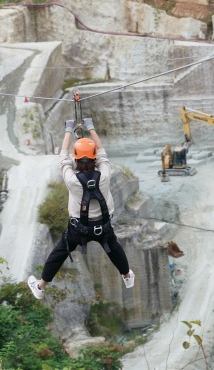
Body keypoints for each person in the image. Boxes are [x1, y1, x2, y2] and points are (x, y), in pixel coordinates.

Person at [28, 118, 135, 300]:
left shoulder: (72, 180)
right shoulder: (105, 175)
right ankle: (127, 276)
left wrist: (68, 129)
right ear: (94, 157)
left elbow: (63, 158)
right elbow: (102, 153)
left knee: (60, 253)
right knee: (114, 248)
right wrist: (91, 127)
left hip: (78, 230)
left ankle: (40, 286)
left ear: (76, 157)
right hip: (104, 227)